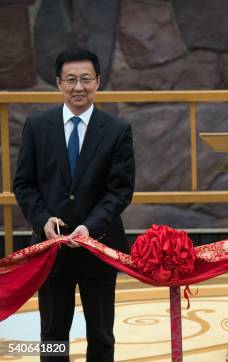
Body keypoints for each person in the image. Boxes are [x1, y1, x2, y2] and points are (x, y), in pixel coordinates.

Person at [13, 48, 135, 362]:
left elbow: (119, 191)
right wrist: (42, 220)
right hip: (50, 250)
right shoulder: (38, 127)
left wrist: (90, 228)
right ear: (58, 83)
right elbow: (24, 184)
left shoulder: (117, 130)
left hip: (99, 247)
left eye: (85, 79)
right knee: (53, 337)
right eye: (70, 80)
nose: (78, 87)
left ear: (98, 82)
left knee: (101, 335)